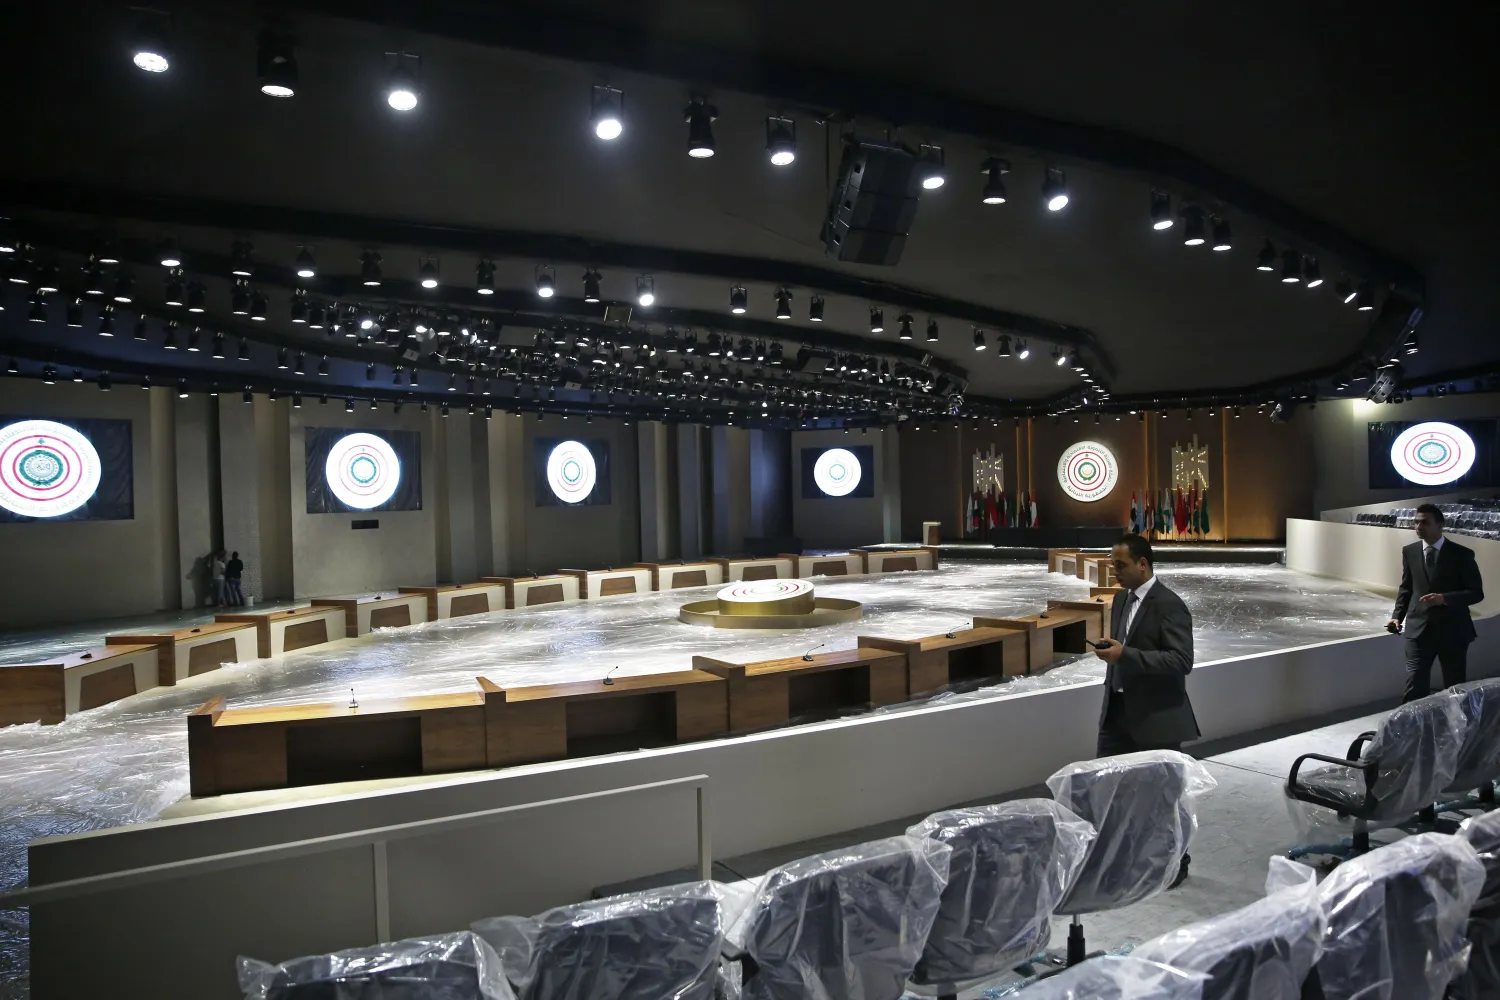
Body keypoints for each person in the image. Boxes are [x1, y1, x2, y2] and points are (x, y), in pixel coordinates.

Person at [1091, 533, 1201, 887]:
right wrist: (1114, 654)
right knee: (1110, 790)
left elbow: (1181, 661)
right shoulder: (1121, 599)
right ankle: (1122, 859)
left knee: (1164, 797)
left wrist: (1126, 655)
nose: (1115, 571)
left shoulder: (1169, 604)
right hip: (1117, 713)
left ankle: (1175, 863)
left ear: (1143, 564)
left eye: (1120, 565)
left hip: (1156, 718)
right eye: (1112, 564)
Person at [1387, 503, 1484, 703]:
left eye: (1424, 522)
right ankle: (1413, 722)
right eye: (1416, 522)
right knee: (1414, 684)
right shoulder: (1410, 551)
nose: (1418, 527)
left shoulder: (1461, 554)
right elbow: (1406, 588)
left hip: (1453, 631)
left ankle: (1457, 722)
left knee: (1454, 686)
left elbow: (1476, 593)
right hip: (1418, 629)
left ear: (1440, 525)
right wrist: (1397, 617)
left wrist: (1444, 599)